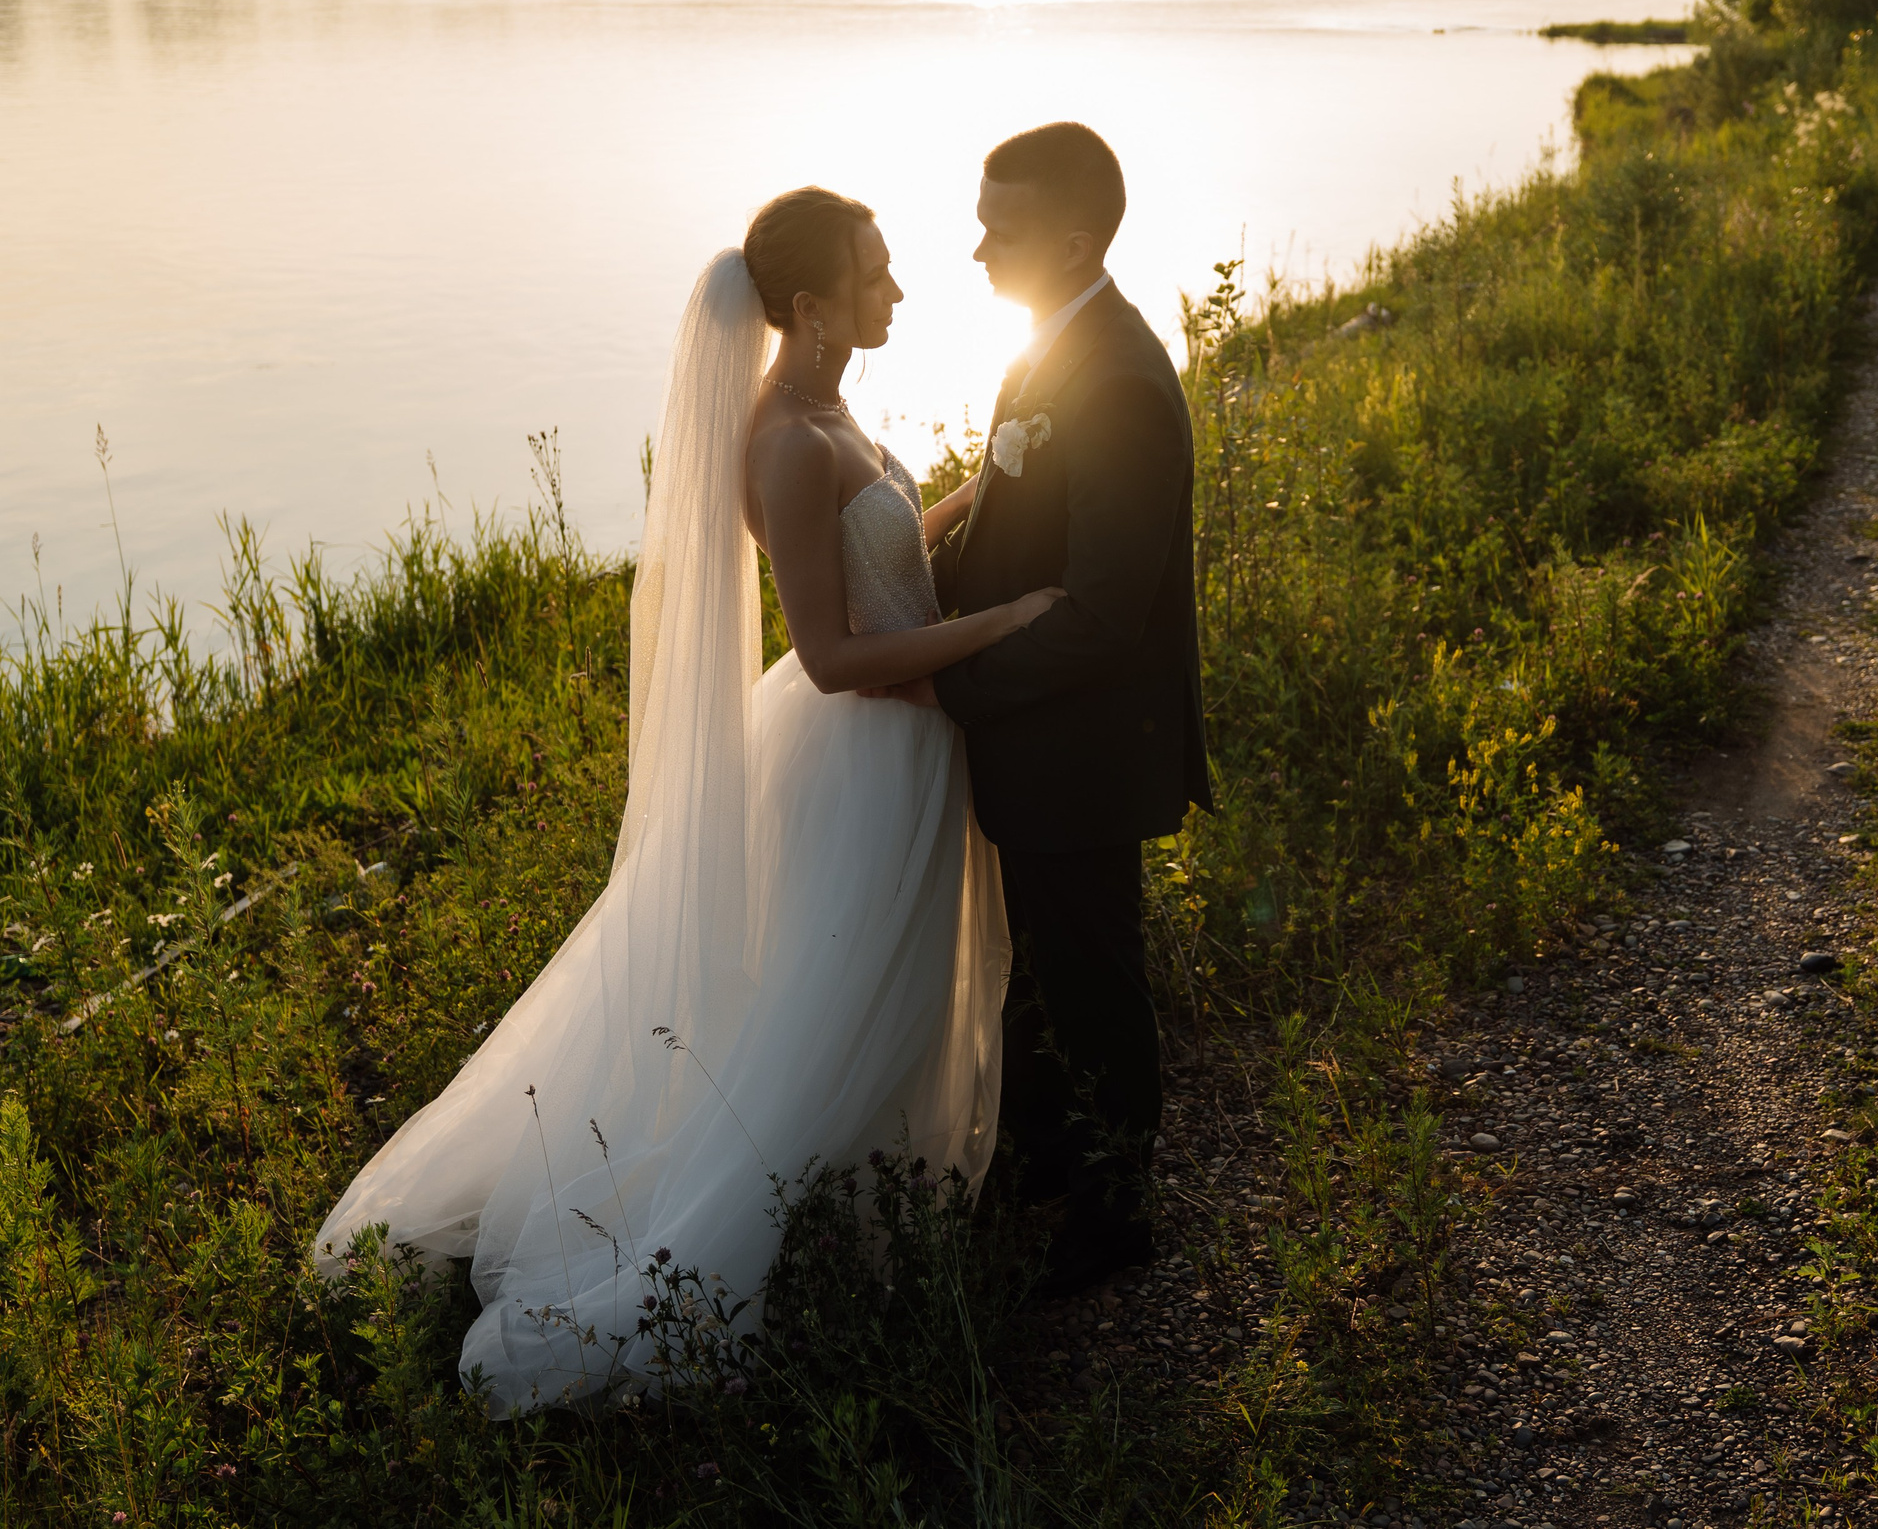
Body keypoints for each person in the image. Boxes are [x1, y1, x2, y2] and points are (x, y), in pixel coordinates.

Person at [314, 187, 1061, 1414]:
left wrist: (967, 504)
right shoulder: (785, 440)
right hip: (863, 750)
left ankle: (868, 1212)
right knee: (826, 1006)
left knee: (870, 997)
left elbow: (875, 566)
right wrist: (1003, 623)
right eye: (875, 274)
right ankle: (732, 1244)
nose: (897, 289)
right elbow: (833, 654)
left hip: (905, 738)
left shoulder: (824, 408)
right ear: (811, 306)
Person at [873, 123, 1213, 1295]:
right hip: (1039, 735)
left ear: (1072, 244)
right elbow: (1008, 537)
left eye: (1000, 231)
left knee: (1094, 975)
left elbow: (1105, 614)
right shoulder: (1047, 347)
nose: (976, 251)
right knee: (1043, 967)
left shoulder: (1115, 380)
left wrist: (948, 684)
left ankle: (1120, 1212)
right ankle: (1052, 1158)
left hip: (1086, 746)